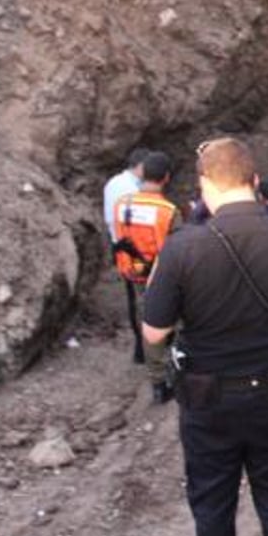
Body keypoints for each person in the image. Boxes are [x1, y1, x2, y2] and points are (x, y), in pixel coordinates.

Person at [143, 137, 268, 536]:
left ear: (205, 184)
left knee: (213, 509)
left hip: (208, 401)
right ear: (256, 181)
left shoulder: (181, 248)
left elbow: (154, 332)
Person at [113, 151, 181, 402]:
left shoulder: (122, 204)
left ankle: (157, 382)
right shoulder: (168, 210)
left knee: (148, 320)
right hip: (161, 275)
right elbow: (177, 249)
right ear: (165, 178)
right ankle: (173, 371)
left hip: (134, 271)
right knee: (171, 324)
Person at [103, 148, 149, 363]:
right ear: (140, 166)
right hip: (135, 249)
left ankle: (142, 345)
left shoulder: (113, 182)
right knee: (143, 294)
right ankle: (145, 346)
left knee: (133, 294)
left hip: (119, 245)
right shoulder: (131, 189)